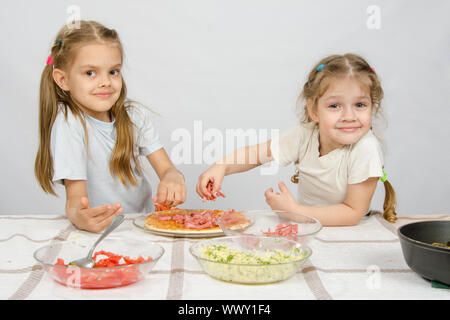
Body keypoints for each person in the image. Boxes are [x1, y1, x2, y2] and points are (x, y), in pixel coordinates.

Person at [197, 53, 397, 226]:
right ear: (313, 111)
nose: (349, 116)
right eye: (335, 106)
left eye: (360, 105)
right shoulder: (305, 134)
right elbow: (258, 155)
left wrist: (296, 212)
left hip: (349, 233)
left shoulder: (366, 148)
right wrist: (221, 166)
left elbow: (353, 213)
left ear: (373, 106)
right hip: (309, 226)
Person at [35, 21, 186, 232]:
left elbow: (167, 169)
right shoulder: (70, 124)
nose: (105, 82)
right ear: (63, 80)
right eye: (90, 73)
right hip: (101, 231)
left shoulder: (134, 116)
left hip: (144, 225)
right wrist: (80, 216)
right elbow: (75, 201)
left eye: (113, 71)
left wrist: (173, 178)